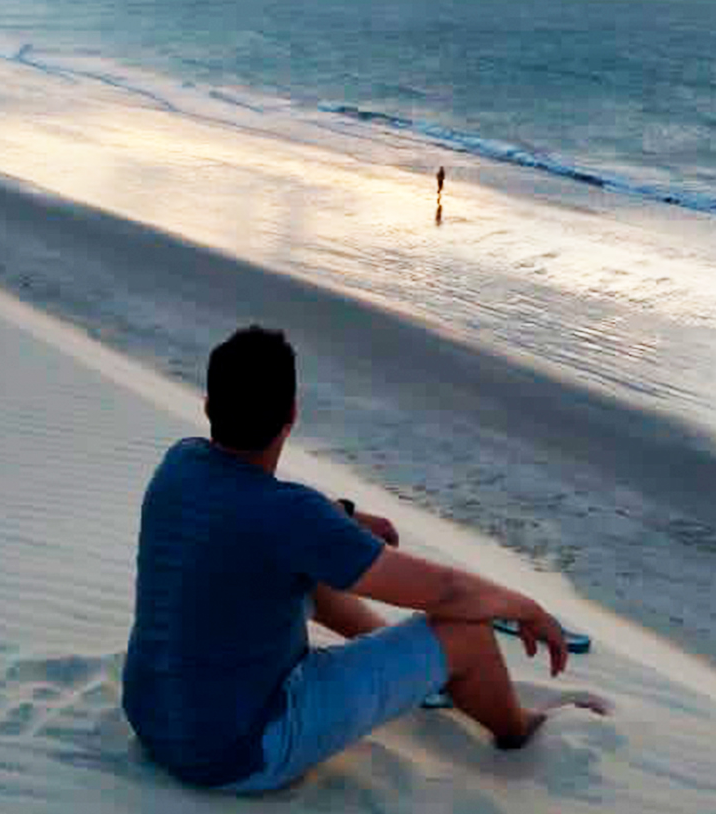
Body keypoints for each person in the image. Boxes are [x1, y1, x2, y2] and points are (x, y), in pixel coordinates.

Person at [122, 326, 597, 793]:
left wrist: (347, 516)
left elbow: (278, 519)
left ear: (208, 408)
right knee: (465, 632)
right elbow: (447, 592)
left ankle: (420, 680)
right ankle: (519, 731)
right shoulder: (290, 515)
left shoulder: (179, 464)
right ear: (292, 413)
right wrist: (526, 608)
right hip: (242, 753)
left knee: (306, 570)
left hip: (153, 720)